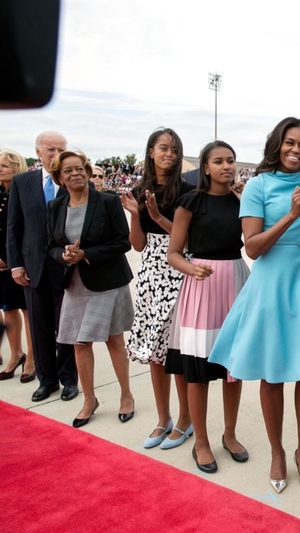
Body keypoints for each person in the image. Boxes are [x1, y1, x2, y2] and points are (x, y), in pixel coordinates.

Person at [209, 118, 300, 491]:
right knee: (273, 371)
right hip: (272, 283)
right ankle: (278, 452)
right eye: (290, 142)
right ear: (277, 144)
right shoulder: (258, 186)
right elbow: (253, 247)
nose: (296, 150)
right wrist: (292, 217)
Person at [166, 141, 250, 473]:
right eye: (218, 161)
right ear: (205, 167)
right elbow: (174, 252)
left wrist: (248, 204)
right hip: (200, 286)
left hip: (236, 282)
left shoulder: (241, 201)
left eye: (230, 160)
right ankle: (200, 441)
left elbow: (253, 240)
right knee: (197, 372)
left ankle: (229, 435)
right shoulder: (190, 202)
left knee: (233, 369)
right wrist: (191, 269)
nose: (226, 166)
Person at [46, 151, 135, 428]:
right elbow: (51, 246)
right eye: (69, 171)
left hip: (107, 281)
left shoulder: (107, 202)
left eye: (80, 168)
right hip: (75, 284)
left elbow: (123, 243)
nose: (76, 174)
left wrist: (86, 253)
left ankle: (126, 395)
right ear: (59, 178)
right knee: (79, 343)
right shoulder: (55, 207)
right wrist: (64, 255)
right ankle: (89, 400)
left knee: (113, 339)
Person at [122, 128, 195, 450]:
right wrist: (138, 215)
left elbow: (191, 241)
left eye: (175, 149)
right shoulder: (140, 190)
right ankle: (162, 418)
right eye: (164, 148)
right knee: (155, 351)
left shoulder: (189, 191)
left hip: (179, 268)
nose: (170, 154)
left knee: (177, 351)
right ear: (151, 151)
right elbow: (137, 245)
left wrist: (158, 217)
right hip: (151, 270)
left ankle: (185, 419)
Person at [6, 131, 79, 402]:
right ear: (38, 152)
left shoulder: (75, 180)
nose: (56, 154)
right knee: (40, 327)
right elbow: (14, 227)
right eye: (50, 149)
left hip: (67, 268)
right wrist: (16, 265)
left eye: (61, 148)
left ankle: (70, 379)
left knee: (68, 328)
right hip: (33, 267)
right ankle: (46, 380)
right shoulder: (22, 182)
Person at [0, 149, 35, 382]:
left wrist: (9, 258)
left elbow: (23, 229)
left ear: (16, 167)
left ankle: (32, 358)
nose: (0, 170)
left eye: (3, 166)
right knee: (8, 308)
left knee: (27, 309)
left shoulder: (24, 191)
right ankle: (16, 354)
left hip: (18, 260)